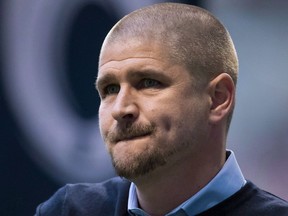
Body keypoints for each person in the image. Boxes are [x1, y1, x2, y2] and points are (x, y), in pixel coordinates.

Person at [35, 3, 288, 216]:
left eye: (148, 83)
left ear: (218, 98)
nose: (121, 108)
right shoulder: (69, 209)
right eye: (110, 89)